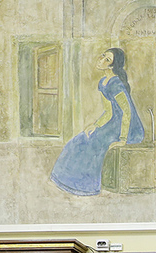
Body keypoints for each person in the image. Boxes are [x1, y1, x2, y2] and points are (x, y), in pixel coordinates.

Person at [50, 48, 145, 196]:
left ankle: (87, 186)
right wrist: (95, 125)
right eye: (103, 56)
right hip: (112, 122)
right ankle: (65, 180)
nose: (101, 60)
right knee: (79, 140)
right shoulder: (103, 83)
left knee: (94, 144)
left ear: (112, 66)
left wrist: (123, 139)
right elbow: (109, 112)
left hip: (127, 127)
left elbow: (127, 113)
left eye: (107, 60)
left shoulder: (116, 84)